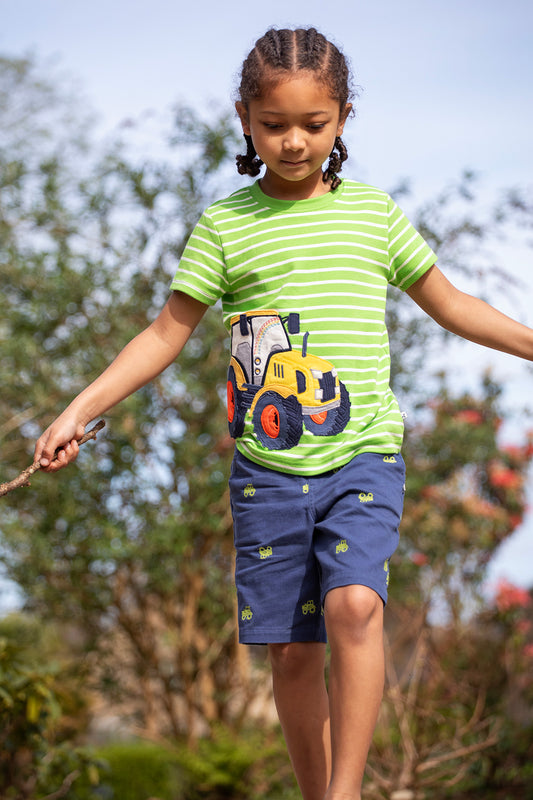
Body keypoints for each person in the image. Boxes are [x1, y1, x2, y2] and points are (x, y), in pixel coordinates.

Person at [34, 26, 533, 800]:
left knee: (355, 605)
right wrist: (77, 410)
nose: (293, 141)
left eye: (313, 123)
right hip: (267, 474)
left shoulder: (373, 216)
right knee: (294, 652)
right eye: (273, 125)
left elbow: (452, 304)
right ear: (244, 118)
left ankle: (345, 794)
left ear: (342, 119)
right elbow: (165, 334)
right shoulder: (225, 227)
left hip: (362, 455)